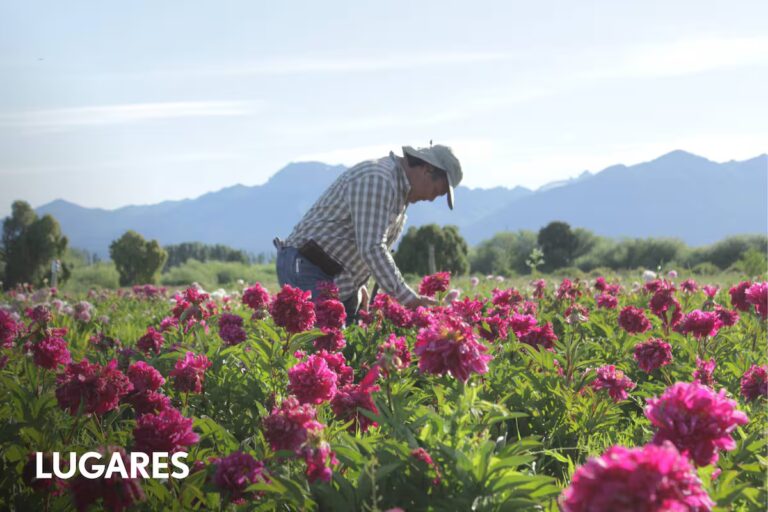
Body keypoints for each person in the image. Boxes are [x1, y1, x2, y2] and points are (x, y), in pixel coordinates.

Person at [274, 144, 463, 323]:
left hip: (333, 276)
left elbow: (359, 238)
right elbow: (372, 247)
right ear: (427, 169)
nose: (431, 199)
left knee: (340, 349)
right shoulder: (379, 179)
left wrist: (358, 283)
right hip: (308, 265)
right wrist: (409, 299)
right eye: (436, 191)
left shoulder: (399, 191)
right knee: (321, 345)